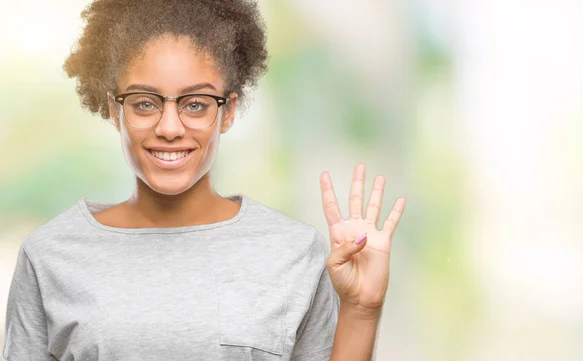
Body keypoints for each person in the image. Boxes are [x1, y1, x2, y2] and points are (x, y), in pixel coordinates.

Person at [1, 1, 406, 360]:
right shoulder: (51, 255)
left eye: (196, 104)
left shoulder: (294, 252)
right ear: (113, 108)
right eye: (145, 103)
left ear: (228, 111)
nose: (171, 127)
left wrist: (362, 309)